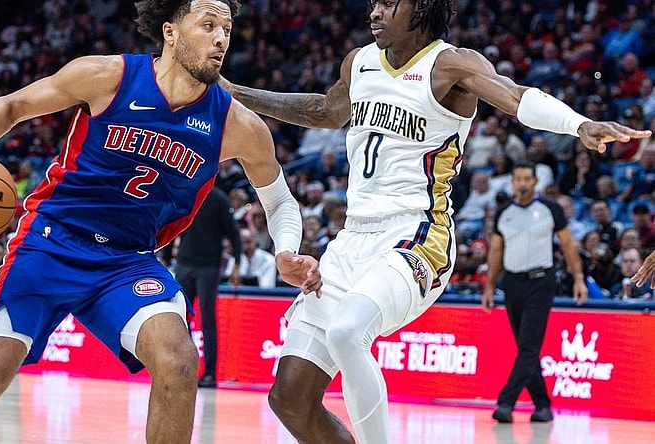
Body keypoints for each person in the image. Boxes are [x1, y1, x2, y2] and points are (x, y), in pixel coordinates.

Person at [218, 0, 650, 442]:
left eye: (389, 3)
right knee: (289, 396)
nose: (375, 12)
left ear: (422, 6)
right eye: (373, 3)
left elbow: (517, 97)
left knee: (349, 331)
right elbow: (325, 111)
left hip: (417, 234)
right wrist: (238, 92)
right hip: (351, 240)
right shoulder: (360, 61)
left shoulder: (451, 65)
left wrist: (579, 125)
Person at [0, 1, 322, 443]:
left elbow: (278, 199)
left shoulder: (236, 123)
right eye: (208, 25)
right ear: (170, 32)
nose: (221, 37)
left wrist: (284, 250)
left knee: (179, 361)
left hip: (127, 261)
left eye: (227, 27)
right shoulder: (108, 75)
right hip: (51, 242)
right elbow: (13, 107)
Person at [482, 162, 588, 423]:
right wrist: (489, 285)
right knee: (525, 348)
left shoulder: (550, 209)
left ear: (535, 182)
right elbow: (496, 251)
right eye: (518, 179)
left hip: (541, 282)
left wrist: (579, 278)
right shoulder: (504, 213)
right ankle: (542, 406)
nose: (522, 184)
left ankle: (506, 402)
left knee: (528, 347)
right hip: (512, 283)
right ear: (512, 183)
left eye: (527, 179)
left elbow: (568, 245)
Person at [170, 186, 242, 388]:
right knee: (181, 318)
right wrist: (167, 259)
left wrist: (237, 264)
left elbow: (234, 234)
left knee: (207, 318)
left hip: (208, 266)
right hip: (184, 263)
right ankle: (183, 368)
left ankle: (210, 373)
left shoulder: (218, 199)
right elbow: (173, 225)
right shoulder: (186, 193)